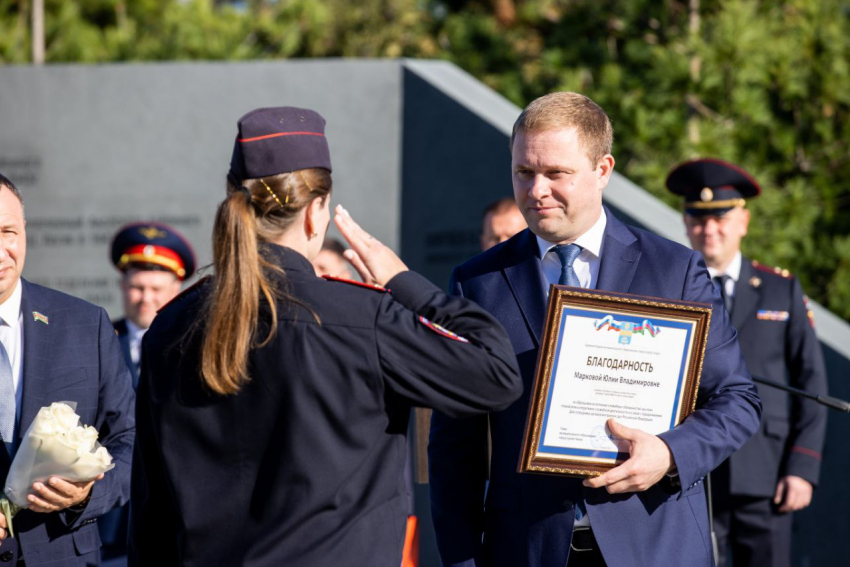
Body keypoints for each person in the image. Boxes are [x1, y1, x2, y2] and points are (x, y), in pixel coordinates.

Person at [129, 106, 522, 567]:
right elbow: (497, 373)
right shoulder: (361, 318)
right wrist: (404, 282)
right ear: (317, 213)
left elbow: (150, 510)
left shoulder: (172, 325)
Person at [428, 92, 762, 567]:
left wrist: (668, 455)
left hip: (653, 545)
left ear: (602, 170)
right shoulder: (477, 283)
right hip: (528, 549)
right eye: (524, 172)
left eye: (555, 173)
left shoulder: (673, 271)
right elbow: (453, 448)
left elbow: (737, 399)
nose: (536, 189)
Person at [667, 158, 828, 567]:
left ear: (744, 221)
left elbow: (811, 382)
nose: (710, 229)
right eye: (698, 219)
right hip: (694, 469)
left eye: (721, 217)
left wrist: (802, 467)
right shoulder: (670, 291)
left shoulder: (780, 289)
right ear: (686, 225)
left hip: (766, 473)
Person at [0, 173, 135, 565]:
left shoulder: (84, 324)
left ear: (24, 229)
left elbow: (131, 441)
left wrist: (88, 494)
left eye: (7, 231)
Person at [98, 222, 196, 560]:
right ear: (122, 286)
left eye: (156, 288)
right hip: (109, 516)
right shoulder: (98, 341)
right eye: (137, 287)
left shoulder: (195, 344)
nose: (145, 298)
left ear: (177, 287)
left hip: (174, 506)